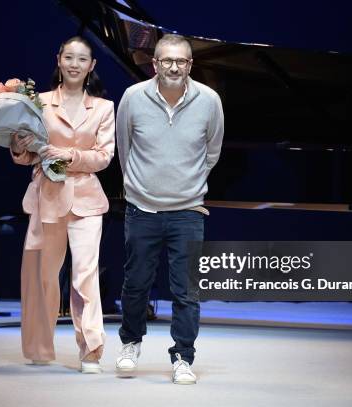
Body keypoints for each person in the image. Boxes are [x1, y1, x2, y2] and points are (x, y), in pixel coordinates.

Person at [114, 33, 224, 384]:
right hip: (141, 208)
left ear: (190, 64)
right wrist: (140, 186)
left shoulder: (209, 100)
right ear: (154, 64)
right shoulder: (133, 97)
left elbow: (212, 151)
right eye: (167, 60)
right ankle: (130, 343)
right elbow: (124, 146)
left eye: (181, 61)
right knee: (136, 284)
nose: (174, 66)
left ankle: (183, 357)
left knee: (187, 290)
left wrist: (188, 186)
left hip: (188, 211)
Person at [9, 36, 115, 373]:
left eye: (81, 59)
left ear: (91, 66)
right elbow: (25, 155)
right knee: (44, 275)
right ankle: (41, 347)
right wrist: (17, 145)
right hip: (47, 197)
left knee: (85, 275)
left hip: (86, 199)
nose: (74, 64)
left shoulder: (102, 108)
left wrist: (67, 155)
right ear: (58, 60)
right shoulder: (37, 102)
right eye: (68, 57)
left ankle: (91, 350)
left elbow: (104, 157)